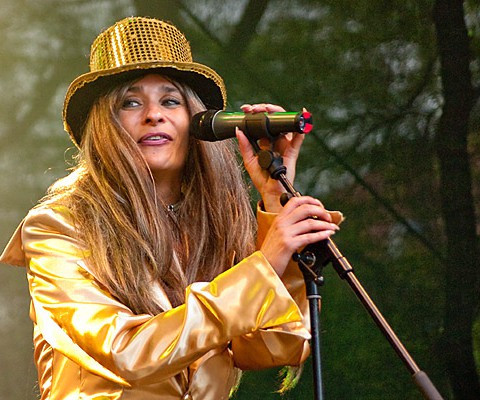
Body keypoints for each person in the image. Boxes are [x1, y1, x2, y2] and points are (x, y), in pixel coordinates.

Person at [0, 17, 342, 399]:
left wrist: (275, 202)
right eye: (130, 102)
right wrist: (264, 265)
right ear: (103, 126)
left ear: (198, 124)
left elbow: (275, 347)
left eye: (170, 100)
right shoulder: (58, 227)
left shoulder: (218, 226)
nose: (154, 114)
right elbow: (125, 354)